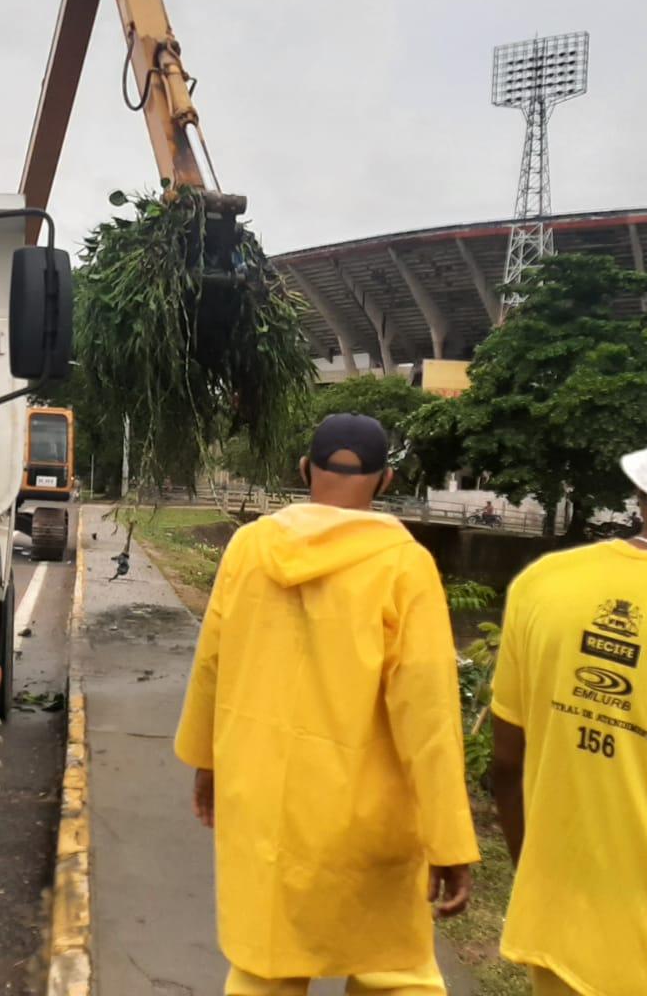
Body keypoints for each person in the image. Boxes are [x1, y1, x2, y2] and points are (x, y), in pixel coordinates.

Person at [175, 413, 478, 995]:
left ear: (304, 469)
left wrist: (207, 761)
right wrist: (449, 840)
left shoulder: (250, 548)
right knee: (393, 969)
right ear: (386, 481)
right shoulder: (403, 565)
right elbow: (429, 714)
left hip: (264, 804)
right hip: (366, 816)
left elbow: (211, 664)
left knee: (267, 963)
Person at [490, 397, 647, 995]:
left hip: (559, 947)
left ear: (644, 491)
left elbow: (508, 766)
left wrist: (543, 881)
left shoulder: (543, 587)